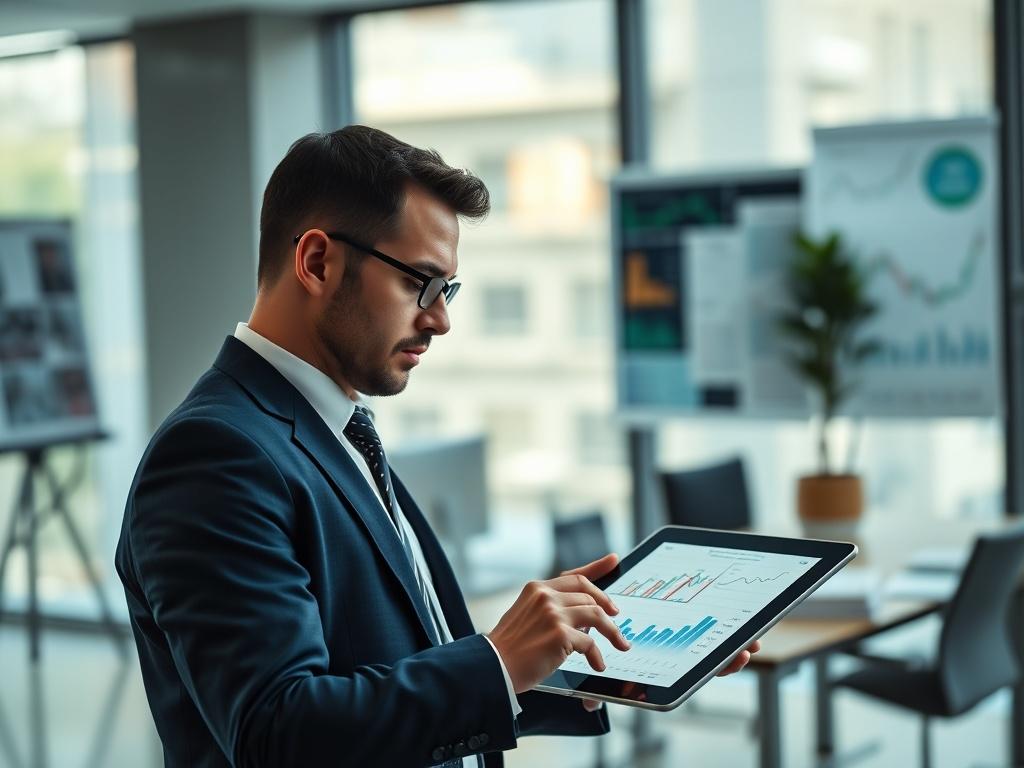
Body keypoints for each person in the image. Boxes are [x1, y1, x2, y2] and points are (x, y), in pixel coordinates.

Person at [115, 125, 758, 768]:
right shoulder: (215, 454)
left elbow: (401, 672)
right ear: (316, 262)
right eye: (420, 282)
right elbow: (278, 734)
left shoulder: (336, 431)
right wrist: (500, 658)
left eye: (446, 289)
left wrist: (605, 658)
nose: (440, 319)